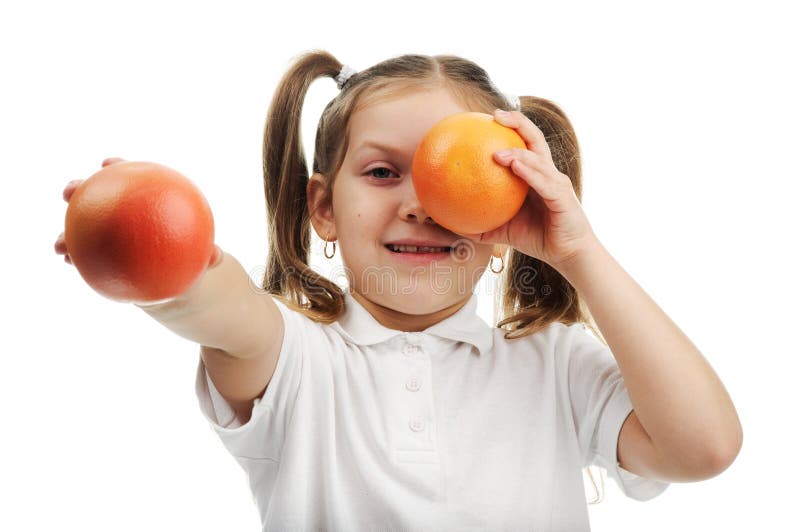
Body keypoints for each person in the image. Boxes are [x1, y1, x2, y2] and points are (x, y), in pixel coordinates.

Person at [55, 50, 742, 531]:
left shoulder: (556, 366)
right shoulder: (293, 358)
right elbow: (217, 299)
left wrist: (578, 250)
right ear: (322, 206)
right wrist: (155, 237)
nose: (422, 203)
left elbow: (704, 447)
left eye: (458, 172)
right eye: (384, 173)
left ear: (509, 206)